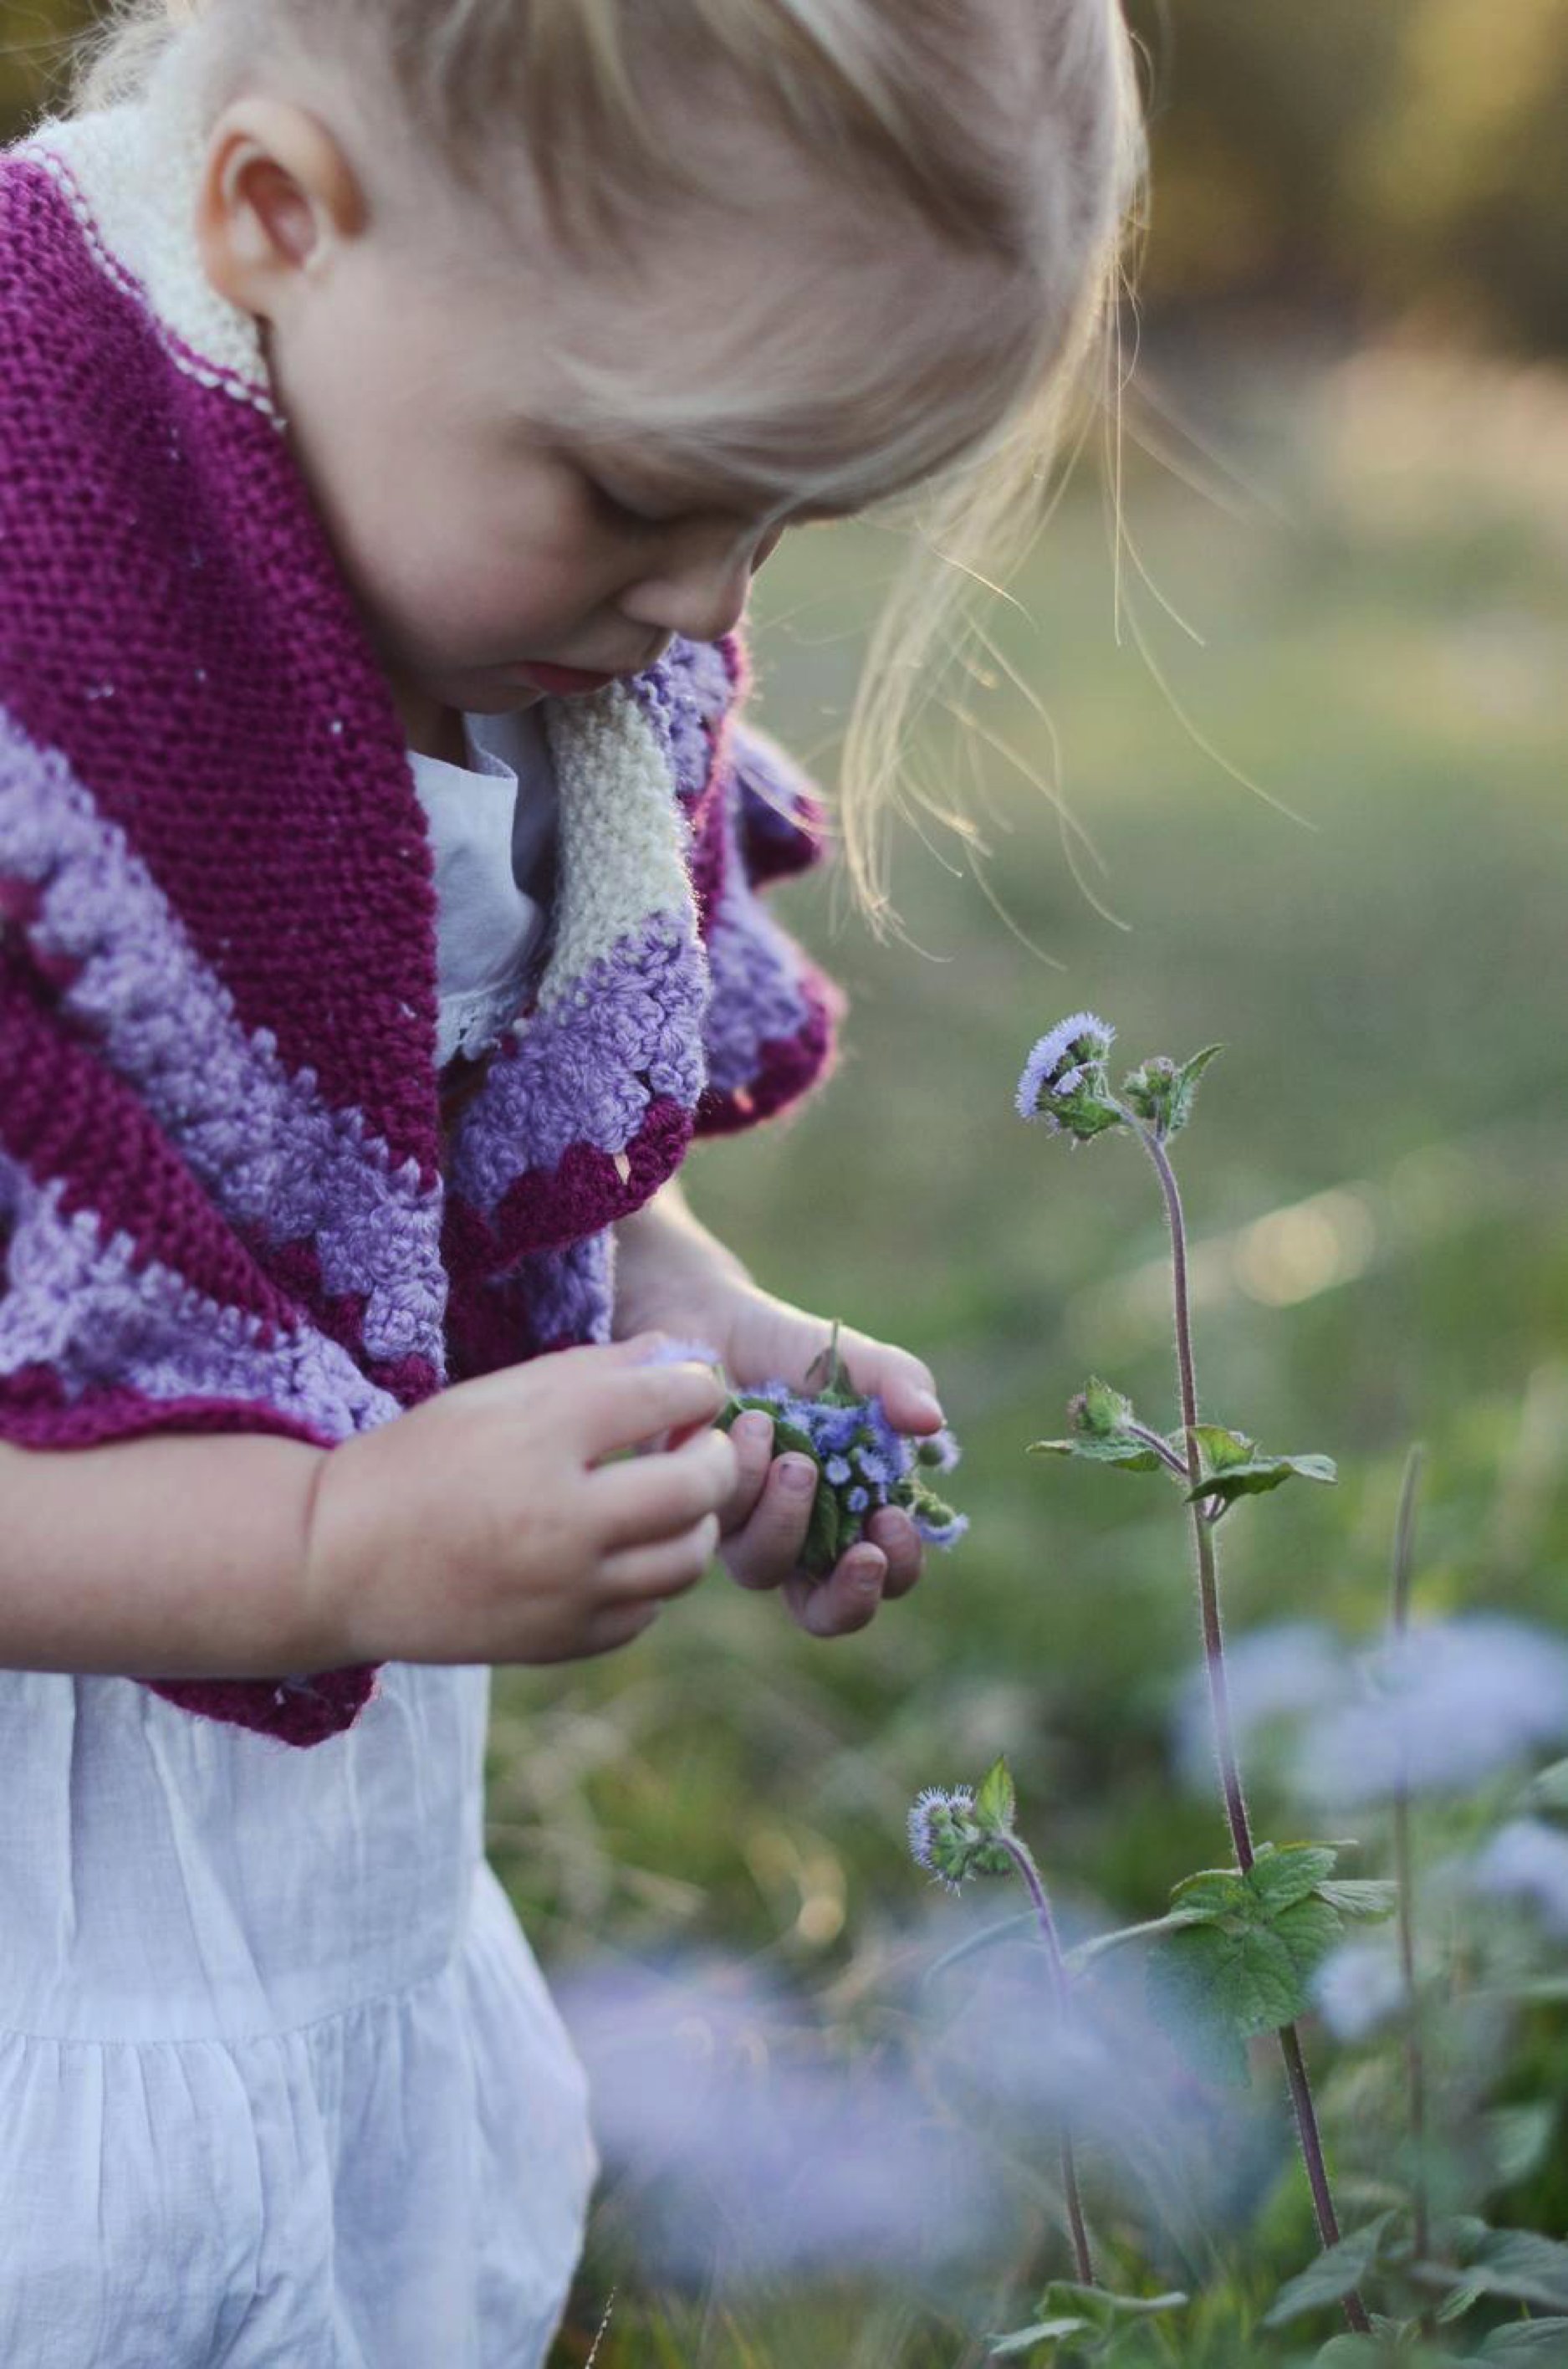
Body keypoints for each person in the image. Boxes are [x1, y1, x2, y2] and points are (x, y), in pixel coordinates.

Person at [0, 0, 1139, 2358]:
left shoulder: (541, 675)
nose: (712, 614)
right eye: (641, 498)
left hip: (300, 1857)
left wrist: (681, 1308)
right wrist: (330, 1543)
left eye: (780, 522)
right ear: (277, 219)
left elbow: (478, 1146)